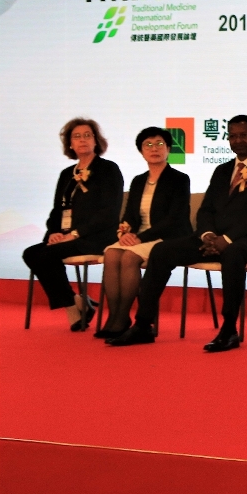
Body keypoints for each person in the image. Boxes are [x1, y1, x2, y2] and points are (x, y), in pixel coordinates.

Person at [108, 115, 247, 352]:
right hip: (214, 239)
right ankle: (143, 325)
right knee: (162, 251)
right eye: (233, 136)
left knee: (233, 252)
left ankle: (229, 330)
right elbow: (206, 209)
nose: (238, 140)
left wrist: (227, 239)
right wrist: (207, 235)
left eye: (244, 135)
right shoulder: (222, 170)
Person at [24, 118, 123, 331]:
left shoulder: (108, 170)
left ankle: (73, 308)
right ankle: (75, 301)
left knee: (47, 255)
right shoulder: (66, 174)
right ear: (70, 144)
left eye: (87, 135)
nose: (82, 140)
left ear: (96, 140)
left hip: (97, 237)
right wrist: (53, 233)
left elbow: (109, 212)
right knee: (31, 253)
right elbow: (57, 211)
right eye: (77, 136)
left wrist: (76, 234)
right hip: (68, 237)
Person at [96, 127, 193, 339]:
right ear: (141, 151)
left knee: (129, 257)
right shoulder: (138, 180)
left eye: (159, 144)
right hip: (138, 237)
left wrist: (140, 238)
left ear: (169, 149)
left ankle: (122, 318)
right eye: (148, 145)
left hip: (168, 237)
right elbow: (129, 214)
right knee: (111, 253)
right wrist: (125, 233)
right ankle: (114, 316)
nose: (154, 149)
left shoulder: (179, 179)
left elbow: (174, 219)